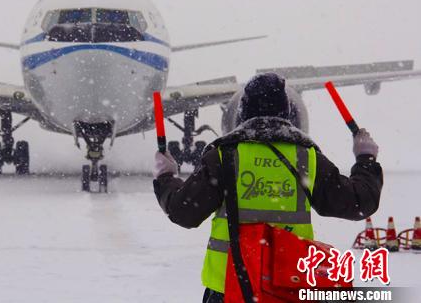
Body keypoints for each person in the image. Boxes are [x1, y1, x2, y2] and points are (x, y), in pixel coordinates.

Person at [152, 73, 383, 303]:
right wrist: (366, 159)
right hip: (286, 288)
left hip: (229, 289)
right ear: (287, 112)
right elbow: (360, 202)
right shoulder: (306, 159)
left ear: (243, 111)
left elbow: (182, 211)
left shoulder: (224, 157)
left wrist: (166, 176)